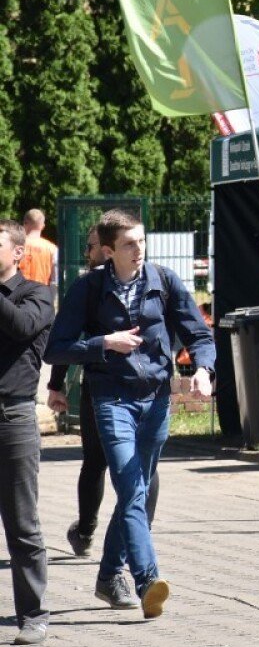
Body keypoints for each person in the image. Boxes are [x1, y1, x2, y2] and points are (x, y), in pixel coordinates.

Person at [44, 209, 214, 621]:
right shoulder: (88, 289)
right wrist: (104, 342)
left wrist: (204, 371)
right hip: (111, 400)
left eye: (141, 241)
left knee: (136, 487)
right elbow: (56, 348)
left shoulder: (164, 282)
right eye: (128, 244)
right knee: (130, 485)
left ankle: (106, 577)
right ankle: (145, 579)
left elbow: (200, 333)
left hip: (155, 400)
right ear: (108, 251)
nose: (139, 250)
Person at [45, 224, 161, 559]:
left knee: (133, 466)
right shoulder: (90, 286)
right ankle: (89, 528)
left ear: (105, 249)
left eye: (92, 246)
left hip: (135, 390)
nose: (89, 252)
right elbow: (66, 342)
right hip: (105, 388)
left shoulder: (140, 282)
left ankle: (123, 534)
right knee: (101, 462)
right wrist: (55, 383)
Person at [0, 218, 54, 645]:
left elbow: (19, 326)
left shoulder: (37, 296)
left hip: (12, 419)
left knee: (22, 523)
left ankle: (33, 614)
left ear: (18, 251)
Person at [18, 209, 57, 303]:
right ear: (42, 226)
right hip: (40, 296)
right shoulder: (52, 248)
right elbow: (55, 280)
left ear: (24, 223)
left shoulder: (15, 245)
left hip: (16, 294)